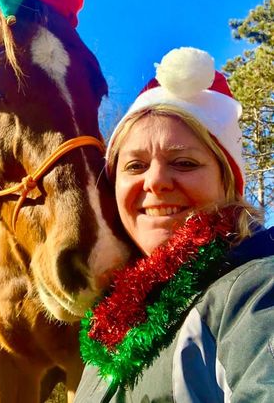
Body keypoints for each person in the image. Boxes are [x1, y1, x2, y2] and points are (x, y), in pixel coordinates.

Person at [75, 47, 274, 403]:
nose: (155, 181)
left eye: (183, 163)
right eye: (134, 166)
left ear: (228, 183)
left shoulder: (257, 292)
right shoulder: (108, 324)